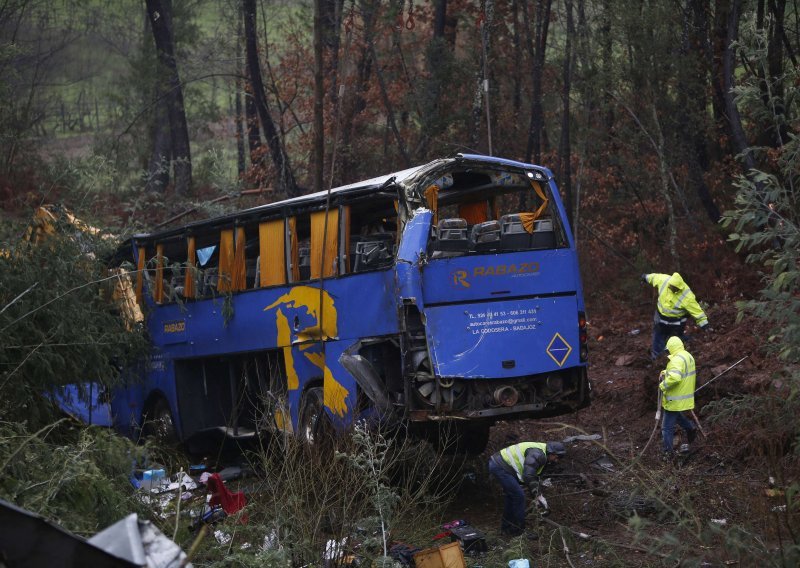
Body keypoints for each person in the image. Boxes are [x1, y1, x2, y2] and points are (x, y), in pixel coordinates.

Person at [488, 440, 566, 537]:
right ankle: (519, 531)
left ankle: (507, 529)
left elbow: (533, 478)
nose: (556, 460)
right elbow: (528, 475)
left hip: (500, 465)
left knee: (511, 497)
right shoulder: (538, 455)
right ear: (551, 452)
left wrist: (538, 496)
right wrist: (537, 495)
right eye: (557, 457)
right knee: (519, 497)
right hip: (500, 466)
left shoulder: (544, 456)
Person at [642, 272, 710, 360]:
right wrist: (645, 277)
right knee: (658, 338)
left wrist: (705, 325)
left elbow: (696, 311)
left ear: (679, 287)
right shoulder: (664, 280)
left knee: (674, 340)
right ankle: (657, 358)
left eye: (674, 288)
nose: (672, 288)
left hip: (675, 323)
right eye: (671, 287)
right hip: (660, 318)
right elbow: (653, 277)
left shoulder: (687, 296)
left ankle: (674, 355)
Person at [659, 336, 698, 458]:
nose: (667, 352)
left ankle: (668, 453)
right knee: (676, 416)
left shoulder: (675, 360)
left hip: (675, 397)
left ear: (671, 348)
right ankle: (690, 427)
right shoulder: (687, 356)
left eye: (668, 350)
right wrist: (665, 373)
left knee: (666, 428)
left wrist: (663, 386)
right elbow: (680, 371)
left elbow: (675, 377)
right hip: (684, 396)